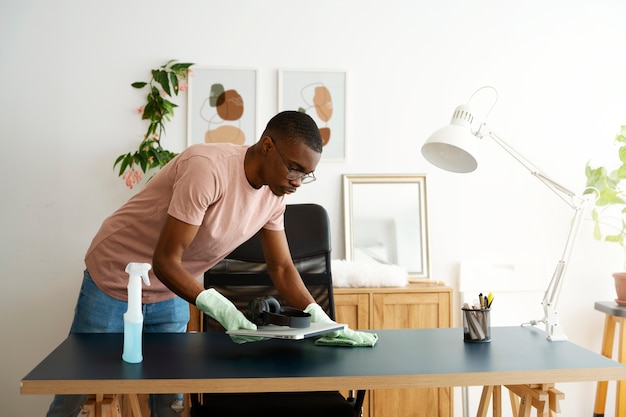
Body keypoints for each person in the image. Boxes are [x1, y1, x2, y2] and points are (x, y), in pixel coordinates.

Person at [45, 111, 375, 417]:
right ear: (266, 146)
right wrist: (223, 308)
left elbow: (283, 269)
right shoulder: (208, 169)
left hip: (169, 287)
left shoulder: (274, 197)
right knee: (76, 386)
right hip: (116, 275)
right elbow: (165, 260)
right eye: (294, 168)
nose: (297, 182)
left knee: (171, 397)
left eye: (307, 174)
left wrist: (321, 319)